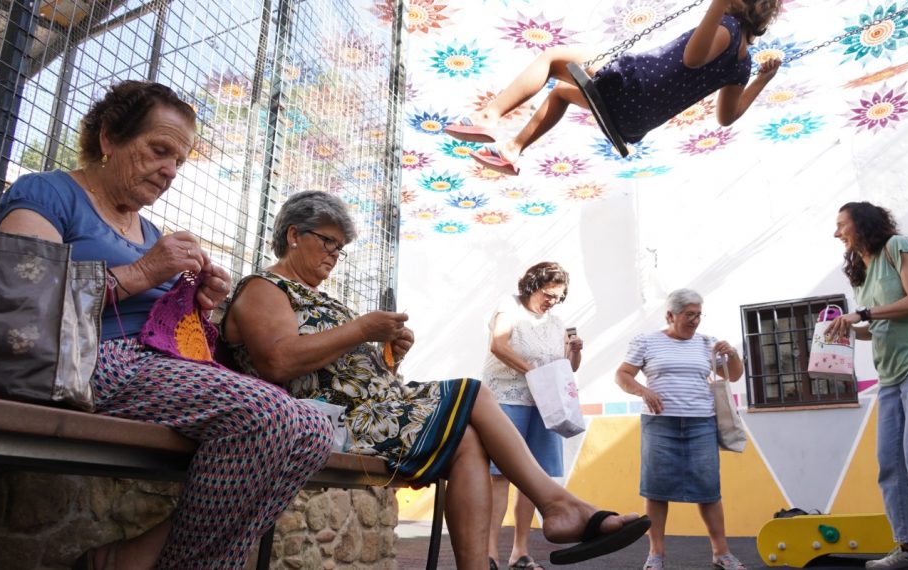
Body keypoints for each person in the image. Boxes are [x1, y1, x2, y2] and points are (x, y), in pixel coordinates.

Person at [0, 80, 334, 570]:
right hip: (85, 360)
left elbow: (158, 325)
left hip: (150, 367)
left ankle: (139, 558)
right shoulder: (47, 191)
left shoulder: (148, 230)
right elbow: (22, 294)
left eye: (178, 160)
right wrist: (145, 272)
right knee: (265, 412)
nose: (170, 171)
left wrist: (200, 305)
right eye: (159, 151)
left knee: (312, 431)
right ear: (110, 138)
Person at [220, 191, 651, 569]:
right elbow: (277, 361)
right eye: (328, 241)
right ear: (295, 234)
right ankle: (558, 507)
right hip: (331, 423)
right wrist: (360, 330)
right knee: (472, 391)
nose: (335, 254)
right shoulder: (265, 288)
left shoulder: (322, 300)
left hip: (373, 414)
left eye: (341, 247)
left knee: (468, 442)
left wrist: (387, 357)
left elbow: (344, 370)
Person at [444, 0, 783, 175]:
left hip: (634, 84)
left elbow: (693, 58)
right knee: (562, 92)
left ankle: (489, 115)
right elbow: (728, 116)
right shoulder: (743, 64)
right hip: (635, 121)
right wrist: (761, 80)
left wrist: (716, 5)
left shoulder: (725, 24)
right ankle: (512, 150)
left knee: (551, 57)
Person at [826, 202, 908, 570]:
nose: (837, 233)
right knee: (890, 464)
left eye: (842, 225)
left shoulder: (897, 247)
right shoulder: (861, 272)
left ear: (862, 224)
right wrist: (849, 330)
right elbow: (878, 327)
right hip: (891, 375)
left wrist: (863, 313)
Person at [613, 288, 747, 570]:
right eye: (689, 315)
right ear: (670, 315)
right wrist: (643, 391)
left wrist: (732, 354)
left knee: (709, 489)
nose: (695, 320)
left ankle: (722, 553)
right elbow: (622, 374)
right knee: (656, 490)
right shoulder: (647, 342)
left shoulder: (707, 343)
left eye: (698, 315)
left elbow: (733, 374)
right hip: (660, 424)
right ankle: (656, 554)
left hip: (701, 424)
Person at [483, 262, 583, 570]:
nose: (552, 300)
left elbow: (569, 368)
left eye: (558, 295)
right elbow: (498, 345)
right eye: (548, 293)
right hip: (506, 398)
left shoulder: (557, 323)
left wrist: (576, 351)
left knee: (532, 479)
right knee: (499, 477)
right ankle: (488, 554)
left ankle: (520, 553)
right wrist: (533, 371)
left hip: (544, 405)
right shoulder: (509, 306)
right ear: (532, 286)